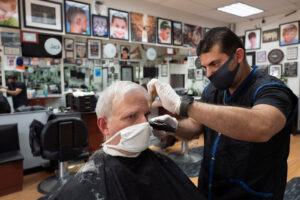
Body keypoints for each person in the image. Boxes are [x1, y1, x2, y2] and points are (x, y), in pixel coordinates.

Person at [148, 27, 298, 199]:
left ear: (238, 56)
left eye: (214, 64)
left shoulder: (271, 90)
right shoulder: (212, 90)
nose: (209, 73)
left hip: (251, 193)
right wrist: (173, 126)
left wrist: (183, 106)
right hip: (212, 187)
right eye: (205, 66)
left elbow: (262, 126)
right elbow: (195, 127)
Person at [47, 81, 205, 200]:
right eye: (131, 116)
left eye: (146, 114)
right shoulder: (83, 186)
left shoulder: (161, 163)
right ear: (104, 125)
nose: (144, 123)